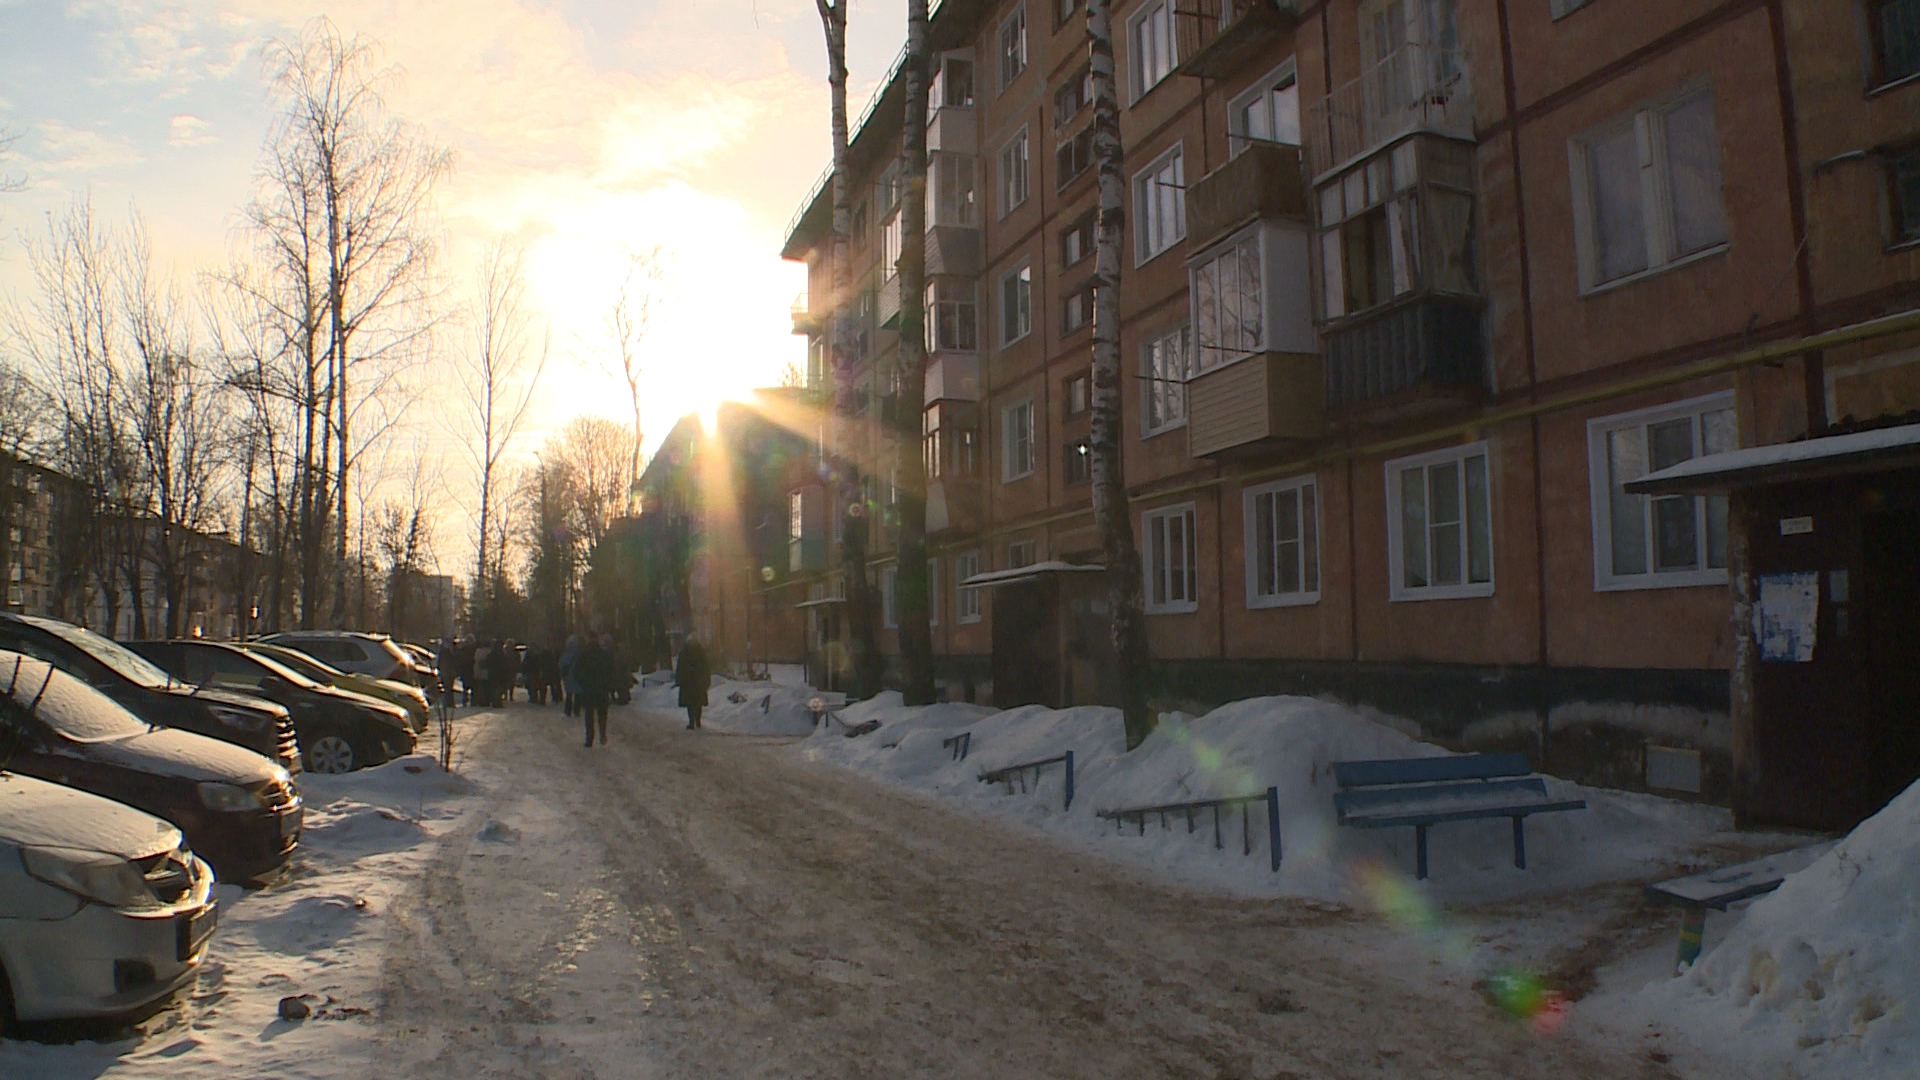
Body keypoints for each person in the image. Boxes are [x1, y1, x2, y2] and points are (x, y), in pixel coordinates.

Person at [574, 633, 614, 746]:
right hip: (602, 688)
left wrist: (583, 683)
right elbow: (610, 669)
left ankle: (589, 738)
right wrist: (607, 683)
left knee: (589, 714)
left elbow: (577, 671)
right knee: (602, 713)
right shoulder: (604, 654)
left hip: (589, 689)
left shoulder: (584, 654)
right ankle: (602, 734)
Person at [675, 636, 710, 731]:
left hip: (692, 683)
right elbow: (680, 668)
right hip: (692, 683)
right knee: (694, 704)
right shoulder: (699, 653)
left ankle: (694, 721)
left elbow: (706, 668)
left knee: (694, 704)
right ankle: (694, 721)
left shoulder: (688, 653)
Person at [558, 634, 581, 717]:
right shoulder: (579, 654)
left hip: (568, 677)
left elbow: (561, 664)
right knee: (578, 694)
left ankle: (567, 710)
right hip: (577, 677)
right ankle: (576, 711)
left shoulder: (566, 654)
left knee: (569, 694)